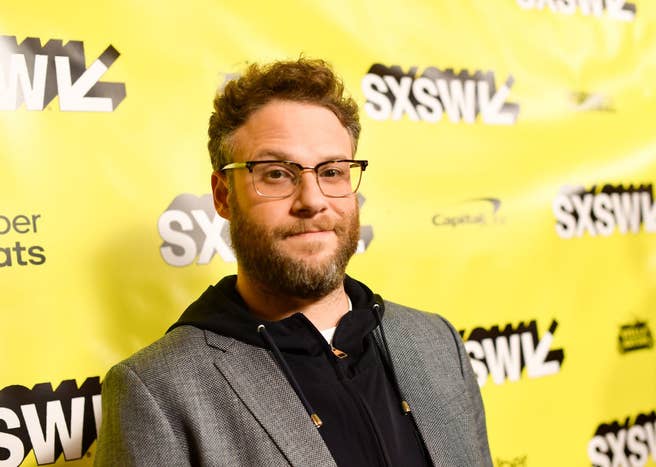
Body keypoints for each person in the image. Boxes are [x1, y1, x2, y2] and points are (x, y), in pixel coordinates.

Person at [95, 57, 491, 466]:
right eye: (276, 174)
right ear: (223, 195)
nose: (313, 200)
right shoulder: (159, 391)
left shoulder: (436, 342)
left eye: (332, 171)